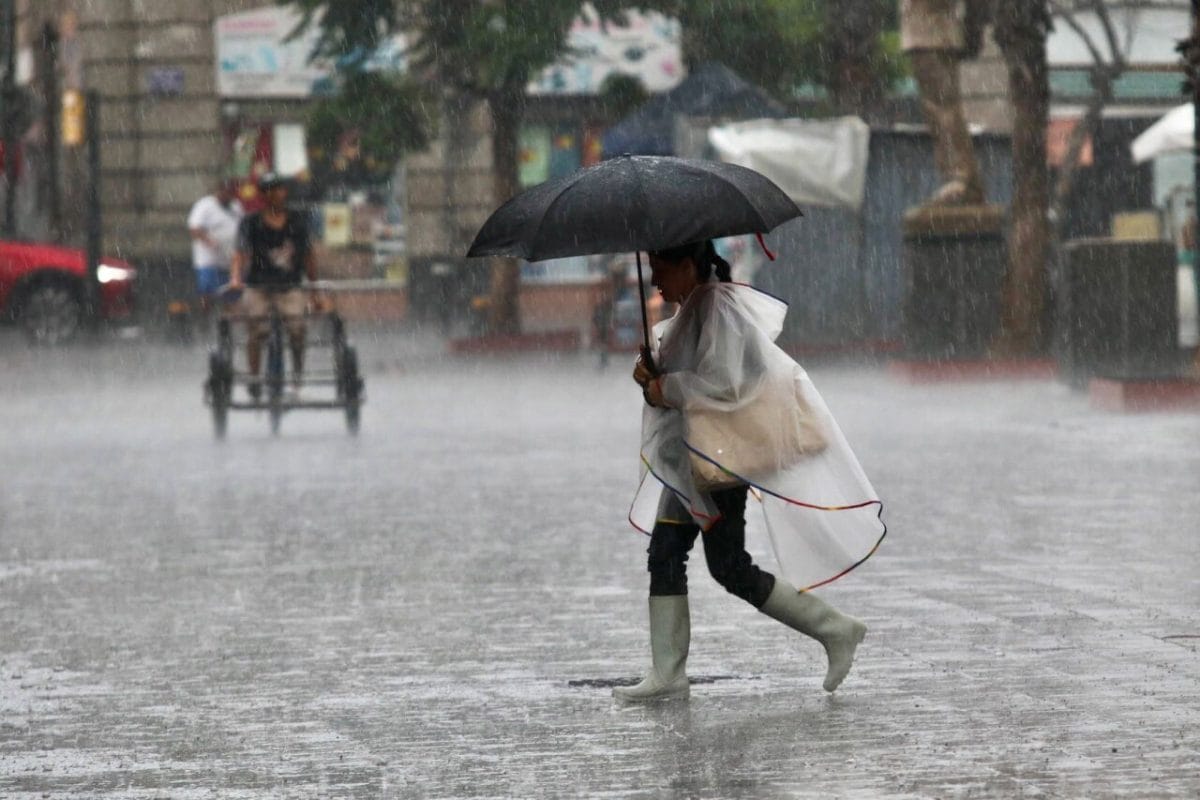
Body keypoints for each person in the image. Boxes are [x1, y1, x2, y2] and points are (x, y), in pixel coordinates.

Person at [617, 240, 885, 703]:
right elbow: (694, 377)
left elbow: (724, 382)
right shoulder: (695, 307)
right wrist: (652, 377)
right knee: (666, 553)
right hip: (692, 457)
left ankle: (835, 629)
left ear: (687, 265)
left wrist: (666, 387)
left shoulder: (718, 308)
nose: (655, 279)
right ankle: (667, 672)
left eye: (661, 268)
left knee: (728, 567)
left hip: (718, 459)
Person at [228, 173, 316, 400]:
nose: (276, 194)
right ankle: (255, 378)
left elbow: (309, 256)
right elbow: (239, 254)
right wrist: (235, 278)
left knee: (297, 330)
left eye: (279, 189)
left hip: (290, 286)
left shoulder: (297, 221)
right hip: (258, 286)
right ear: (263, 195)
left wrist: (315, 291)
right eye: (270, 190)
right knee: (256, 330)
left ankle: (297, 379)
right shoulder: (250, 223)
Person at [901, 0, 990, 206]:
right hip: (928, 32)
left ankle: (960, 177)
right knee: (938, 110)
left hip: (931, 32)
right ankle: (961, 178)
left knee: (941, 109)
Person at [187, 180, 244, 327]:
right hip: (208, 257)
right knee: (207, 287)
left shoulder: (236, 206)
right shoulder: (204, 206)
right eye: (225, 192)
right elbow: (194, 228)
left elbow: (242, 226)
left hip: (229, 256)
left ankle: (227, 320)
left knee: (229, 289)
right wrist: (208, 241)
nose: (228, 195)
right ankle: (205, 315)